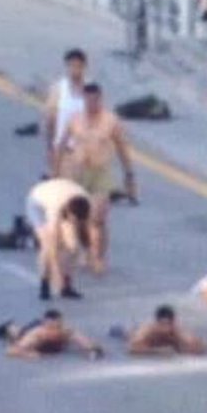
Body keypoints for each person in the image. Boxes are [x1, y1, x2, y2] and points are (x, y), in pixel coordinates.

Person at [57, 83, 136, 275]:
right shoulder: (75, 120)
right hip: (78, 173)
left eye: (95, 99)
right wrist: (58, 173)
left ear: (100, 99)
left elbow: (122, 148)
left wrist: (129, 173)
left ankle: (98, 256)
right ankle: (87, 250)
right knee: (80, 220)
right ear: (84, 100)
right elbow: (62, 146)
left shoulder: (110, 121)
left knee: (97, 218)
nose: (92, 103)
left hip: (101, 173)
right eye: (88, 100)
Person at [26, 177, 92, 300]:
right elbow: (53, 244)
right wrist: (57, 274)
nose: (75, 223)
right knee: (47, 245)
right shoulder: (55, 207)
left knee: (73, 246)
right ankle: (45, 283)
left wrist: (87, 252)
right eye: (73, 220)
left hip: (63, 197)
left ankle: (67, 286)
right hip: (37, 204)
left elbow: (85, 230)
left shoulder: (87, 201)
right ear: (68, 212)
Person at [44, 49, 91, 178]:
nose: (75, 70)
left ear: (84, 67)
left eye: (78, 66)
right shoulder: (58, 89)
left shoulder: (91, 89)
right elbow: (50, 120)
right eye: (71, 66)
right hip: (63, 151)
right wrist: (50, 148)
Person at [0, 310, 105, 360]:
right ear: (46, 326)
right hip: (30, 331)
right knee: (17, 333)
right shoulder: (37, 335)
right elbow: (10, 350)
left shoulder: (66, 332)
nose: (56, 331)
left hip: (42, 328)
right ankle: (9, 327)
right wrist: (26, 354)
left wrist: (92, 350)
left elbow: (88, 344)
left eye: (58, 326)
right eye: (52, 328)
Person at [127, 305, 206, 356]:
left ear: (173, 323)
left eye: (168, 324)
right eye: (162, 324)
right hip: (132, 335)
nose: (165, 329)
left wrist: (180, 350)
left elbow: (201, 347)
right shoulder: (147, 330)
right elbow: (132, 349)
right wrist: (156, 352)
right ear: (157, 323)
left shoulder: (179, 331)